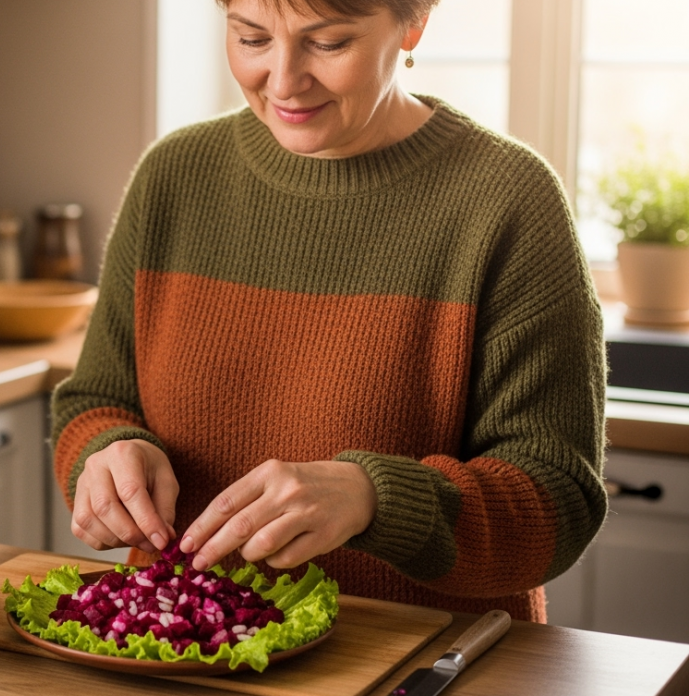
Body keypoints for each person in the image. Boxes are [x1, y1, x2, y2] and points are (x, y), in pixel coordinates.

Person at [50, 0, 608, 622]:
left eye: (329, 43)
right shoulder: (173, 177)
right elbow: (93, 402)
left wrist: (376, 499)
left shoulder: (508, 201)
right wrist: (108, 453)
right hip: (181, 651)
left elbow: (560, 502)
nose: (284, 80)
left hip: (426, 655)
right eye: (252, 39)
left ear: (413, 25)